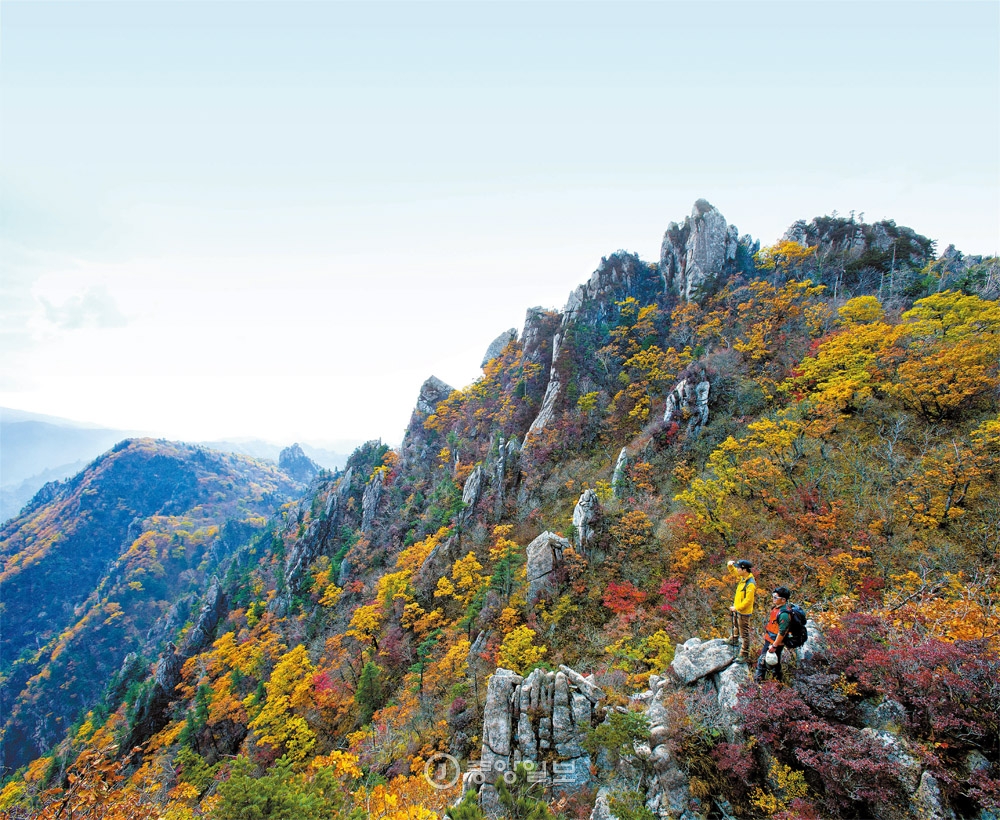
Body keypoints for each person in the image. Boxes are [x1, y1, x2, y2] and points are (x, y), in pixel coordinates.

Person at [754, 586, 793, 682]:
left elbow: (782, 632)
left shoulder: (783, 614)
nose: (773, 599)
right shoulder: (776, 609)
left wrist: (774, 646)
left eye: (776, 597)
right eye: (773, 596)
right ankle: (778, 680)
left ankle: (758, 682)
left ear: (783, 600)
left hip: (775, 642)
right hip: (770, 639)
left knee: (762, 661)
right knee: (774, 662)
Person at [726, 559, 755, 662]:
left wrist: (737, 608)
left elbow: (748, 600)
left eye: (739, 568)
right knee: (735, 626)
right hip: (738, 609)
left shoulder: (750, 583)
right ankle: (734, 638)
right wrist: (730, 566)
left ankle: (744, 653)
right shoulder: (744, 578)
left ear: (745, 569)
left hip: (744, 612)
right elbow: (734, 572)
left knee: (744, 633)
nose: (737, 569)